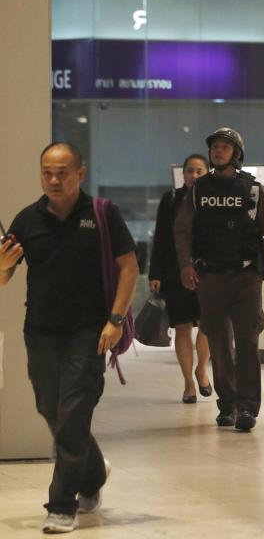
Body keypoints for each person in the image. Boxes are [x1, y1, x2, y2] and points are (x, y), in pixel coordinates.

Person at [0, 142, 138, 533]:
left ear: (81, 173)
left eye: (62, 172)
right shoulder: (27, 219)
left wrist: (115, 319)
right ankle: (93, 474)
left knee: (73, 415)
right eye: (47, 172)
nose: (54, 179)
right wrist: (3, 266)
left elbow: (129, 268)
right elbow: (3, 276)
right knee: (51, 411)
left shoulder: (101, 214)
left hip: (89, 332)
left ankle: (61, 505)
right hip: (40, 331)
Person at [174, 128, 264, 432]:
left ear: (237, 153)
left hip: (246, 276)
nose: (218, 152)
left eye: (225, 147)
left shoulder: (253, 190)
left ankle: (248, 407)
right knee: (220, 343)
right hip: (210, 276)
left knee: (248, 342)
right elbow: (182, 231)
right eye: (215, 148)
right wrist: (185, 265)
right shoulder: (197, 190)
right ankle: (228, 405)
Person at [149, 154, 213, 403]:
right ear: (182, 174)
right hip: (175, 272)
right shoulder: (170, 199)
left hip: (207, 272)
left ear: (207, 172)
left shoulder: (211, 199)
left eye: (199, 171)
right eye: (189, 171)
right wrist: (155, 273)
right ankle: (188, 382)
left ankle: (202, 370)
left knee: (206, 325)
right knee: (183, 327)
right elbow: (161, 238)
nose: (194, 176)